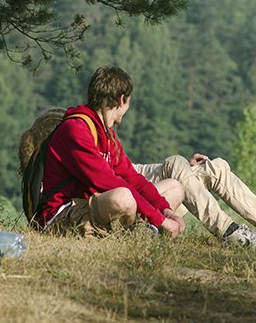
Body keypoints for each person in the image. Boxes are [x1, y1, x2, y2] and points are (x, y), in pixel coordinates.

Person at [38, 66, 186, 238]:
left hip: (94, 205)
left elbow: (133, 178)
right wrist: (159, 219)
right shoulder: (76, 129)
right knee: (123, 197)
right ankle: (139, 233)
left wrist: (166, 211)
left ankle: (144, 231)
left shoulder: (108, 135)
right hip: (64, 213)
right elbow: (107, 182)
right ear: (122, 100)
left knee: (174, 188)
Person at [133, 154, 256, 248]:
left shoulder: (108, 136)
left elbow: (135, 170)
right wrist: (178, 168)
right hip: (137, 204)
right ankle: (229, 232)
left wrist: (186, 170)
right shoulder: (101, 137)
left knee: (216, 167)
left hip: (148, 187)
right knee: (175, 162)